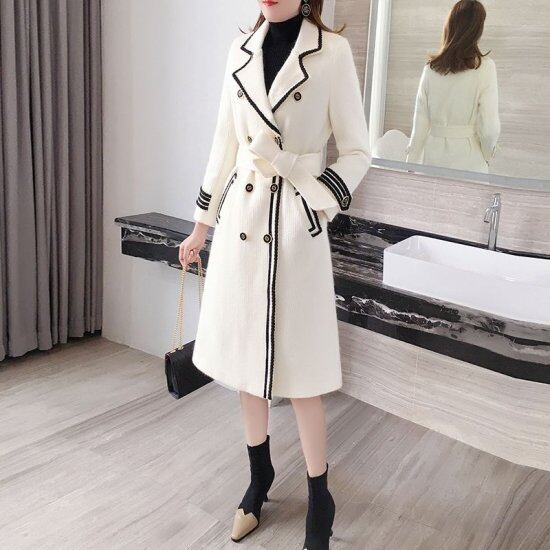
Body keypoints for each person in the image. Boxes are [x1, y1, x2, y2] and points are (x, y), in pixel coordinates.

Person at [179, 1, 371, 547]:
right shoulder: (241, 50)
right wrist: (201, 224)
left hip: (295, 225)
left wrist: (314, 198)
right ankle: (258, 475)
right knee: (246, 366)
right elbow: (224, 142)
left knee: (302, 372)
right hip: (241, 222)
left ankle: (319, 495)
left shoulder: (331, 52)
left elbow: (358, 151)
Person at [406, 0, 500, 173]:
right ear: (477, 30)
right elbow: (489, 128)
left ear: (450, 25)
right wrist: (487, 155)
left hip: (433, 160)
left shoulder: (430, 69)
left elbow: (419, 126)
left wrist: (410, 166)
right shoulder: (485, 67)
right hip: (470, 161)